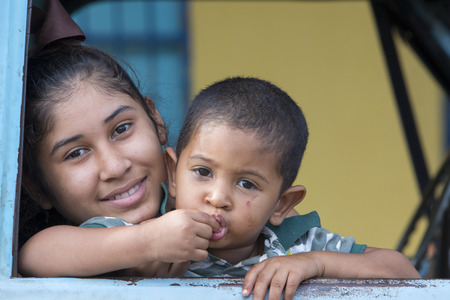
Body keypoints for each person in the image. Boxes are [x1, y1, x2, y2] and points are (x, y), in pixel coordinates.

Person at [162, 77, 421, 300]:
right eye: (203, 172)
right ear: (173, 174)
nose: (218, 198)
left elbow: (404, 273)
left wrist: (315, 263)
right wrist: (150, 246)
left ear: (282, 204)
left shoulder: (294, 246)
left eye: (246, 184)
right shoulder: (154, 240)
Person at [18, 40, 221, 277]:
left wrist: (276, 266)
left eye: (122, 129)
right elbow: (33, 256)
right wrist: (148, 242)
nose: (115, 167)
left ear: (156, 120)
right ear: (37, 188)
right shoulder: (77, 246)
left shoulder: (212, 200)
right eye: (77, 153)